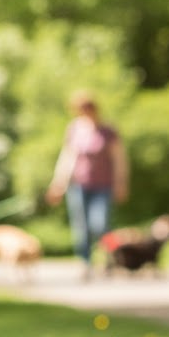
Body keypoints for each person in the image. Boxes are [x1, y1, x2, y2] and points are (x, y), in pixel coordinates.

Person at [46, 91, 129, 278]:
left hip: (104, 185)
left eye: (87, 108)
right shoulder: (75, 129)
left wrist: (121, 183)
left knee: (101, 224)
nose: (85, 112)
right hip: (79, 185)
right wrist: (58, 183)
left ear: (95, 108)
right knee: (81, 226)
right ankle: (85, 262)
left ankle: (112, 257)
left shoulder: (108, 131)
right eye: (80, 109)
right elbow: (67, 157)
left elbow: (119, 160)